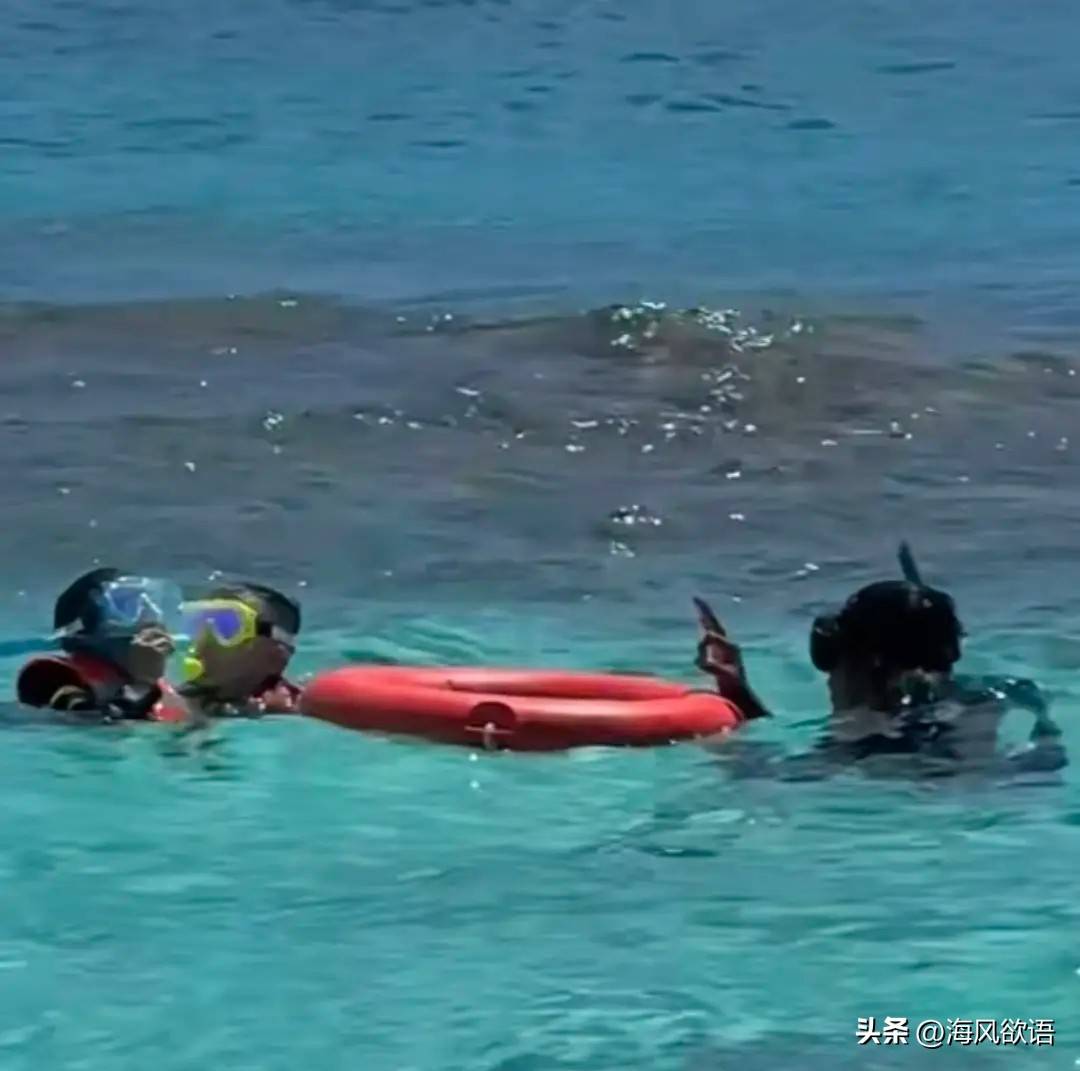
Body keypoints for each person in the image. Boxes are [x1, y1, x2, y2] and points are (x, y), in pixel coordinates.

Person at [693, 544, 1066, 778]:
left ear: (865, 663)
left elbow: (757, 772)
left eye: (830, 659)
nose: (829, 680)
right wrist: (736, 686)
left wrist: (722, 717)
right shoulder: (1010, 694)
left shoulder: (869, 733)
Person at [15, 568, 189, 722]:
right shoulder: (55, 682)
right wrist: (143, 684)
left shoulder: (154, 685)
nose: (151, 613)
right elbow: (96, 733)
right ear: (83, 629)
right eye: (127, 605)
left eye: (153, 601)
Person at [176, 581, 302, 720]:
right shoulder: (173, 698)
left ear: (276, 657)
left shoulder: (297, 709)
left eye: (227, 627)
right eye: (198, 625)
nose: (205, 639)